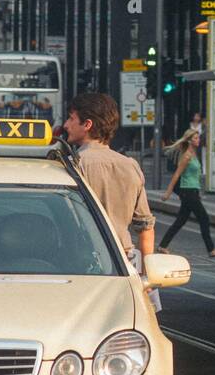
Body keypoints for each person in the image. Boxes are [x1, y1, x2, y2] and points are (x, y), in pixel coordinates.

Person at [61, 93, 157, 301]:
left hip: (81, 262)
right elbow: (146, 228)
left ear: (87, 124)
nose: (66, 125)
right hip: (125, 262)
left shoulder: (73, 166)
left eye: (71, 118)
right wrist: (145, 276)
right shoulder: (130, 165)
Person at [158, 128, 215, 257]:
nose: (198, 140)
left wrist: (198, 191)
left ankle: (162, 245)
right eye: (195, 138)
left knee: (181, 220)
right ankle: (211, 249)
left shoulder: (194, 154)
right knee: (204, 218)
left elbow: (195, 176)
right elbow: (177, 174)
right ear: (189, 141)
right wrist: (168, 192)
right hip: (187, 192)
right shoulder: (187, 156)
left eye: (198, 138)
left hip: (193, 191)